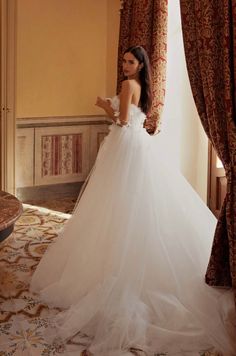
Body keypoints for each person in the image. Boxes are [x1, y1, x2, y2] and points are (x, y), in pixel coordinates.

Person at [30, 46, 236, 355]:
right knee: (127, 206)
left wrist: (103, 105)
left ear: (140, 65)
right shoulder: (141, 87)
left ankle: (118, 263)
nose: (125, 65)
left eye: (130, 61)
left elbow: (123, 121)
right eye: (124, 60)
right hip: (136, 147)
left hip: (125, 146)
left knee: (115, 206)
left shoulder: (128, 85)